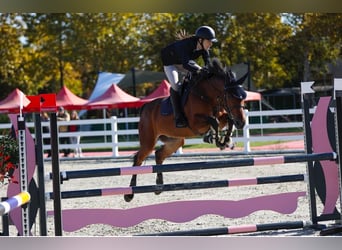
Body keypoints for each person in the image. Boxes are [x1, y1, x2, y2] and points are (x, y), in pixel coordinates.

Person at [161, 25, 217, 128]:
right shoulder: (185, 45)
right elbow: (187, 64)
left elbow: (208, 65)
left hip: (183, 62)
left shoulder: (204, 49)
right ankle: (178, 117)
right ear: (200, 40)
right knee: (176, 85)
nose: (211, 44)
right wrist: (200, 70)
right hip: (171, 63)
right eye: (209, 41)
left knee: (201, 75)